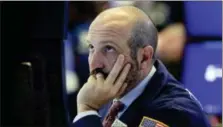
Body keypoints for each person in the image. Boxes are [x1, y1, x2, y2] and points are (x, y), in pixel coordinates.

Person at [72, 6, 211, 127]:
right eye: (91, 47)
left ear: (144, 57)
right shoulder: (110, 95)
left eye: (109, 49)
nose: (94, 63)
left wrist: (87, 110)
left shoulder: (174, 114)